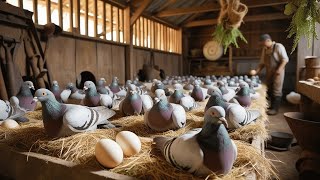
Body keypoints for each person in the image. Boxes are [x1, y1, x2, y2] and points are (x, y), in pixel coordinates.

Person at [251, 34, 289, 115]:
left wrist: (279, 70)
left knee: (277, 90)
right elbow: (262, 63)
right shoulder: (265, 49)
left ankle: (275, 109)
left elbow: (285, 59)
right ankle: (271, 107)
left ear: (268, 40)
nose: (262, 45)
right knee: (270, 88)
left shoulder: (278, 47)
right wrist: (256, 71)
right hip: (269, 72)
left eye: (263, 43)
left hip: (278, 72)